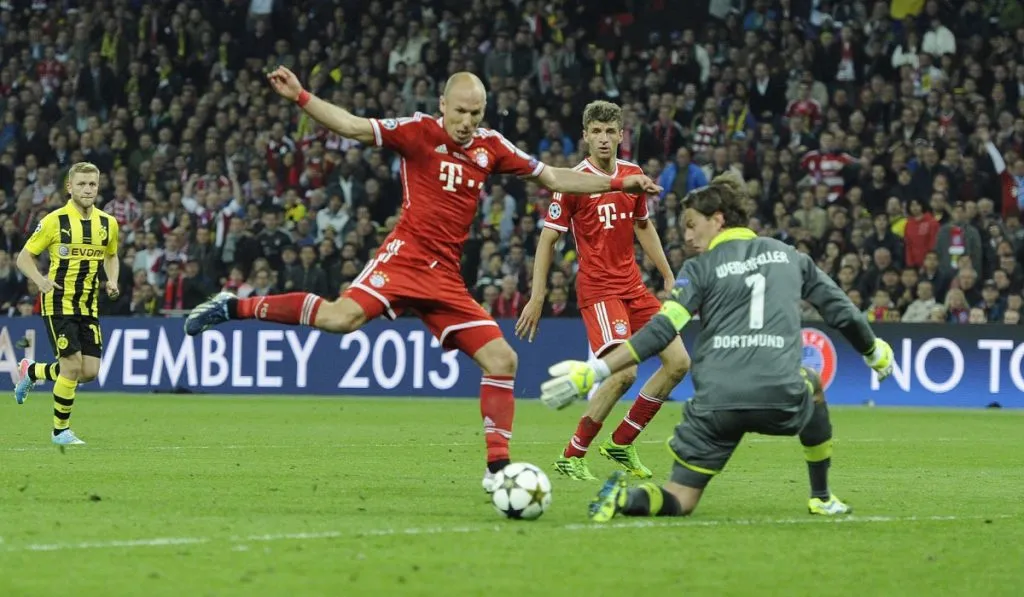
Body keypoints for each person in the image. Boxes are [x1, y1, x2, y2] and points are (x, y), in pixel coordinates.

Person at [184, 67, 661, 492]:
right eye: (460, 111)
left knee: (502, 359)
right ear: (442, 106)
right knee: (338, 319)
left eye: (476, 113)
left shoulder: (492, 147)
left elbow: (555, 178)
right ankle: (235, 306)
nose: (467, 121)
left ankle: (498, 470)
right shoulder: (417, 131)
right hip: (404, 260)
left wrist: (621, 182)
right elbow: (352, 126)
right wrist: (302, 98)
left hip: (445, 278)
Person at [538, 172, 895, 520]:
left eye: (692, 225)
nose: (687, 236)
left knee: (681, 498)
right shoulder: (789, 256)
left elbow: (661, 329)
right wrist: (873, 352)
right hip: (779, 395)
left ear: (718, 219)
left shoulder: (699, 269)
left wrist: (595, 370)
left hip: (714, 405)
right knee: (812, 383)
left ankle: (624, 498)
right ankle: (822, 497)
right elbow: (842, 312)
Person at [515, 100, 690, 481]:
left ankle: (622, 442)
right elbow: (548, 241)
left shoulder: (633, 175)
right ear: (585, 136)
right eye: (596, 131)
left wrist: (667, 274)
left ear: (621, 135)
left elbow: (643, 226)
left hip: (633, 287)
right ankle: (572, 454)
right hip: (599, 291)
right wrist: (537, 295)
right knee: (623, 372)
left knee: (678, 362)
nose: (604, 138)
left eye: (611, 131)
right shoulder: (573, 182)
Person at [13, 162, 121, 445]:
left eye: (92, 184)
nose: (88, 189)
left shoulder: (108, 223)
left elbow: (111, 256)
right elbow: (23, 257)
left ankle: (33, 370)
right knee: (71, 365)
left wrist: (112, 280)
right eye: (82, 184)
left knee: (89, 372)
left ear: (98, 187)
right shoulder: (53, 221)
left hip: (88, 305)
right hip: (58, 302)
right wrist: (40, 280)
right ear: (69, 187)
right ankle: (60, 431)